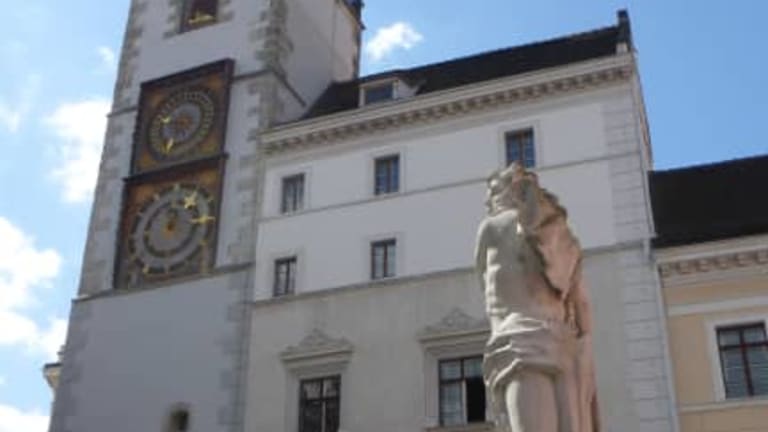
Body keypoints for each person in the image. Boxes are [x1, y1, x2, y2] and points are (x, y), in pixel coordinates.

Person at [474, 163, 599, 432]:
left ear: (510, 190)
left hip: (519, 345)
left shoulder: (491, 228)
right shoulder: (562, 236)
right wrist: (585, 348)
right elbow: (581, 303)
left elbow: (483, 282)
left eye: (492, 191)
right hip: (562, 345)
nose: (487, 200)